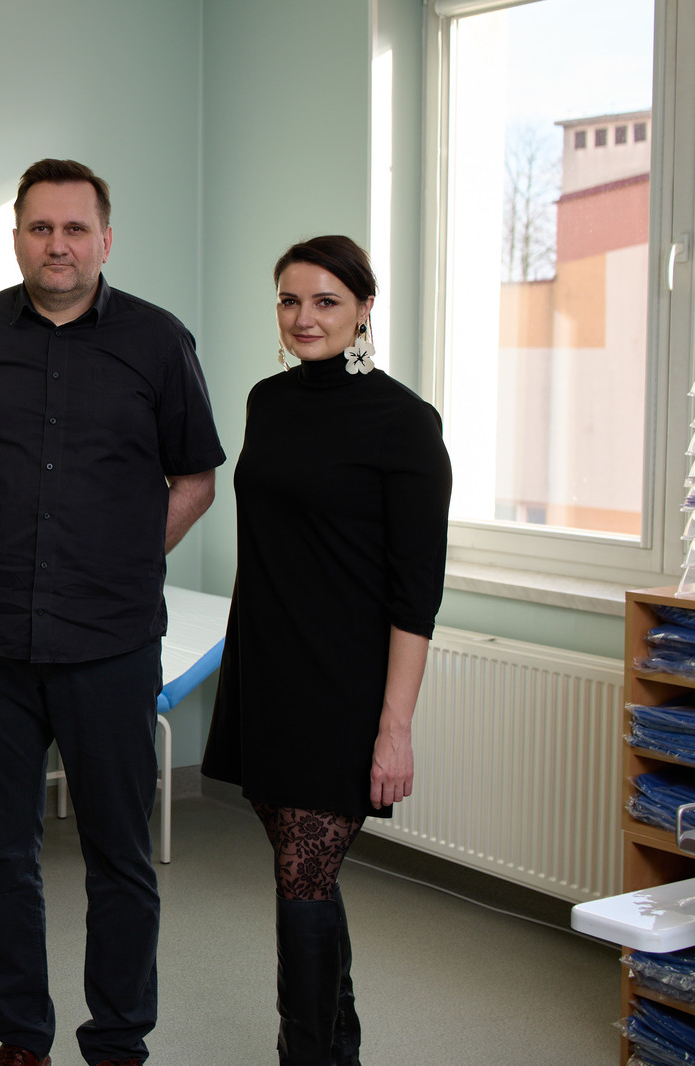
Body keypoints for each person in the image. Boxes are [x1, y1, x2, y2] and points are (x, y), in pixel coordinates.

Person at [0, 159, 225, 1066]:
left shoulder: (158, 340)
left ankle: (118, 1039)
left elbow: (196, 477)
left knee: (119, 857)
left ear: (105, 239)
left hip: (110, 642)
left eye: (75, 228)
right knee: (0, 856)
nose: (58, 245)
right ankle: (22, 1037)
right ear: (17, 237)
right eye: (41, 228)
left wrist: (124, 560)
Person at [201, 235, 452, 1066]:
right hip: (265, 672)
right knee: (301, 871)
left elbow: (415, 594)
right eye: (289, 300)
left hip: (343, 686)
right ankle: (337, 1046)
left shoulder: (405, 423)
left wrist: (395, 728)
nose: (304, 317)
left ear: (364, 309)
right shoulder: (266, 402)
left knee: (303, 878)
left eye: (326, 301)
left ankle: (305, 1053)